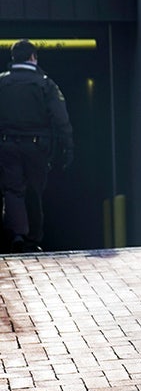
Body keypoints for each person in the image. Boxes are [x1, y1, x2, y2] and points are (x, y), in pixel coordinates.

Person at [0, 39, 72, 253]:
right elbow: (61, 118)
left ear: (13, 58)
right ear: (33, 57)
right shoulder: (45, 84)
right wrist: (68, 146)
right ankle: (33, 239)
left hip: (7, 145)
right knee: (34, 190)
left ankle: (18, 234)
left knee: (12, 190)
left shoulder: (2, 83)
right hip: (37, 147)